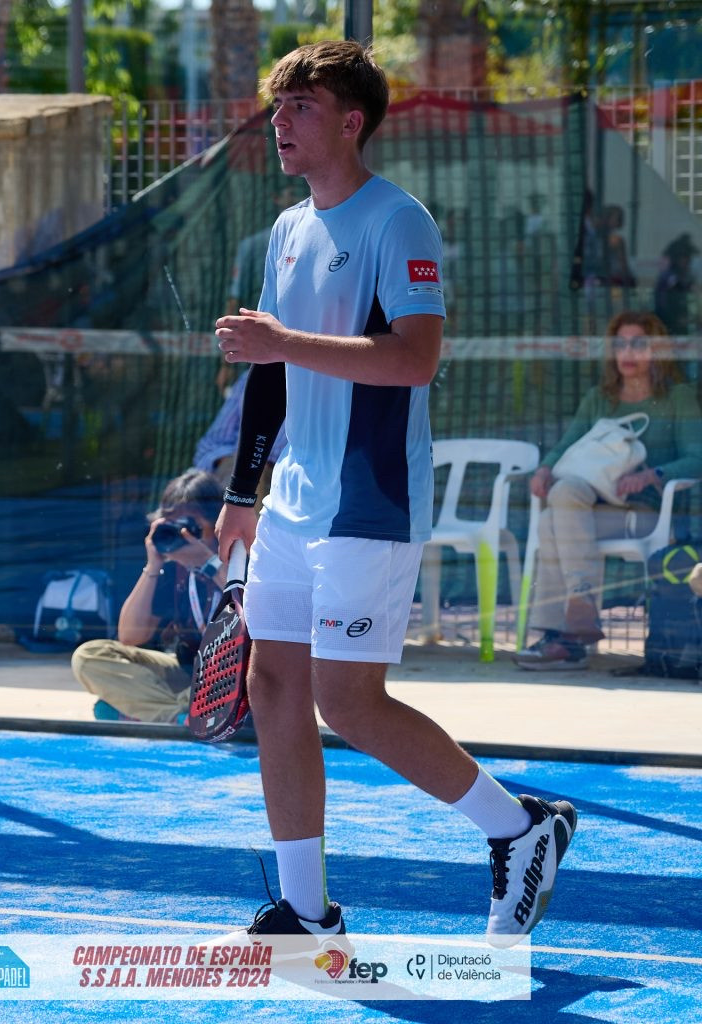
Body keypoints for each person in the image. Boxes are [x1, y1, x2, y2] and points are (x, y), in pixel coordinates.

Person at [212, 39, 578, 946]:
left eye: (301, 106)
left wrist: (280, 343)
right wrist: (243, 491)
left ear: (352, 121)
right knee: (274, 686)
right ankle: (306, 912)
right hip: (292, 499)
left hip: (368, 500)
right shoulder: (289, 229)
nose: (281, 121)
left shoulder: (399, 221)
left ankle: (518, 827)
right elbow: (270, 372)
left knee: (348, 701)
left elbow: (415, 358)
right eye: (278, 106)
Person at [516, 310, 702, 670]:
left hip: (644, 514)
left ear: (658, 350)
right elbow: (565, 447)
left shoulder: (677, 397)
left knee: (551, 522)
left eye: (639, 344)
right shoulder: (600, 398)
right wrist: (544, 469)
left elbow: (698, 458)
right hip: (589, 508)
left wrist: (653, 475)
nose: (628, 352)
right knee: (562, 496)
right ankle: (576, 623)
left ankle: (564, 638)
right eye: (621, 344)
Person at [71, 469, 226, 724]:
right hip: (188, 670)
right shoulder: (174, 568)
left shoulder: (241, 556)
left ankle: (145, 711)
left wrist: (209, 563)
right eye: (174, 525)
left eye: (191, 525)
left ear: (217, 522)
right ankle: (179, 717)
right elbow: (131, 636)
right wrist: (153, 565)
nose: (183, 534)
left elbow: (254, 616)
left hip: (228, 672)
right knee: (89, 656)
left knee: (107, 708)